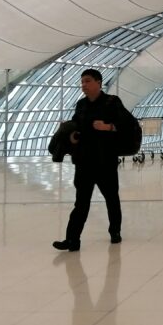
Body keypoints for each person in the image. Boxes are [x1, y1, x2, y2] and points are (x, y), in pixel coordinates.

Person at [53, 69, 128, 252]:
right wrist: (71, 137)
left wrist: (108, 127)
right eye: (82, 82)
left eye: (87, 81)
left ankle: (115, 231)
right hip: (84, 161)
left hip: (105, 160)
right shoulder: (81, 105)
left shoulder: (112, 102)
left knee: (111, 198)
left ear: (98, 83)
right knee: (81, 202)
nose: (83, 85)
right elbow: (77, 127)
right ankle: (72, 239)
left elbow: (126, 125)